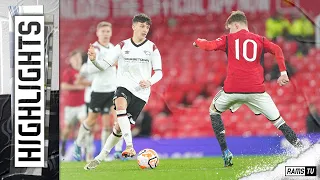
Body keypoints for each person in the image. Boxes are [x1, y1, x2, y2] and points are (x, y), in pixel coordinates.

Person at [193, 10, 304, 167]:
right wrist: (283, 73)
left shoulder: (228, 39)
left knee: (213, 110)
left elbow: (209, 46)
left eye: (230, 27)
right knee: (280, 122)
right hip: (257, 91)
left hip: (231, 90)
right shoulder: (260, 39)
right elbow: (277, 50)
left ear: (236, 25)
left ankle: (225, 152)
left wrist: (198, 41)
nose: (229, 31)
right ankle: (303, 150)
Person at [83, 13, 163, 170]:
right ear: (133, 27)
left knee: (118, 129)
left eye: (147, 27)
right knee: (120, 107)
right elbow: (104, 66)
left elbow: (159, 72)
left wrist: (149, 81)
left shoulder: (152, 47)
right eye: (141, 26)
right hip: (123, 86)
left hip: (141, 92)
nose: (145, 29)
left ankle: (100, 157)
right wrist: (93, 60)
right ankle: (130, 146)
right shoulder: (122, 46)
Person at [73, 21, 124, 161]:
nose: (106, 34)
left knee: (119, 118)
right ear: (97, 33)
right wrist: (107, 64)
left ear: (111, 33)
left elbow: (116, 66)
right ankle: (77, 144)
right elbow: (90, 69)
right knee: (91, 121)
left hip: (113, 90)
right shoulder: (94, 49)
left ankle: (118, 151)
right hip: (98, 91)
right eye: (103, 31)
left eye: (108, 31)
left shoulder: (113, 48)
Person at [60, 50, 86, 157]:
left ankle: (81, 147)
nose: (77, 61)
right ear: (71, 61)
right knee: (67, 129)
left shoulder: (85, 71)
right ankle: (64, 144)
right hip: (70, 106)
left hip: (82, 105)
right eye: (74, 59)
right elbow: (63, 86)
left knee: (84, 125)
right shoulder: (68, 72)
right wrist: (77, 87)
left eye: (78, 58)